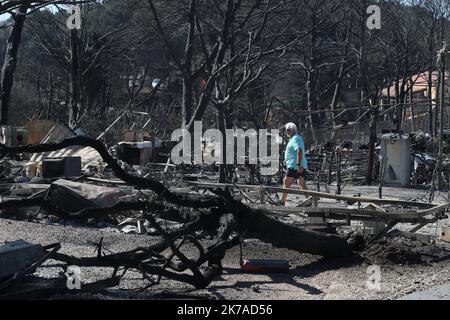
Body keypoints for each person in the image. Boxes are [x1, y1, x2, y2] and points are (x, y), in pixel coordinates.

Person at [280, 122, 308, 206]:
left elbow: (299, 150)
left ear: (293, 130)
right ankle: (308, 200)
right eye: (286, 130)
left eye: (288, 130)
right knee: (301, 182)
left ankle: (281, 201)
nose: (286, 132)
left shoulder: (296, 138)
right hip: (297, 165)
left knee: (286, 181)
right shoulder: (293, 139)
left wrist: (298, 164)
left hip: (295, 166)